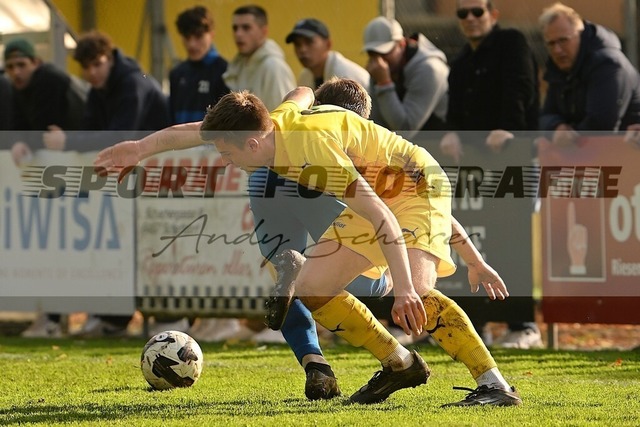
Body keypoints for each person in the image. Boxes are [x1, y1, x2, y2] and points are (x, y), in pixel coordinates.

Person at [95, 84, 522, 407]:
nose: (225, 161)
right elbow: (295, 93)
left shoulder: (314, 154)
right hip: (387, 195)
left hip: (416, 188)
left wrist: (408, 286)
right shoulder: (274, 124)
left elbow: (384, 216)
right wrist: (139, 148)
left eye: (227, 153)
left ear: (252, 143)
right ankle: (400, 364)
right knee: (313, 287)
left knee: (419, 293)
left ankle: (494, 384)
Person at [43, 30, 170, 337]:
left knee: (153, 247)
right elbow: (91, 131)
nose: (92, 72)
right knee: (115, 244)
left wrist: (67, 141)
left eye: (97, 64)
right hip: (127, 180)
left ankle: (168, 318)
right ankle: (114, 318)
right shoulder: (98, 90)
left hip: (159, 178)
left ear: (110, 58)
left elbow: (119, 137)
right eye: (86, 67)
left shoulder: (132, 83)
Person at [441, 0, 542, 349]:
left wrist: (508, 128)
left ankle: (522, 325)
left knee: (511, 239)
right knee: (476, 241)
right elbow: (455, 110)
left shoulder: (512, 43)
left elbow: (521, 89)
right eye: (463, 13)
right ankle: (477, 326)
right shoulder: (460, 61)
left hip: (511, 159)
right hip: (473, 168)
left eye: (477, 11)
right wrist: (451, 133)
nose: (470, 18)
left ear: (492, 14)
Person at [539, 2, 640, 146]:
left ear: (580, 34)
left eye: (563, 40)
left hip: (625, 152)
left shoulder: (607, 64)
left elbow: (600, 127)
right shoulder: (560, 68)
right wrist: (556, 127)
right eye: (551, 43)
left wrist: (568, 137)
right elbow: (545, 115)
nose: (557, 50)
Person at [3, 38, 85, 166]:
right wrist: (18, 141)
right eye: (10, 67)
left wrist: (21, 141)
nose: (16, 72)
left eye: (21, 65)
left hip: (81, 151)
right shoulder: (19, 86)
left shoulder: (49, 79)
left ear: (35, 63)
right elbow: (17, 124)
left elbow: (43, 131)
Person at [362, 16, 448, 138]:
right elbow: (376, 123)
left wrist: (384, 83)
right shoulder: (380, 68)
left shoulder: (430, 69)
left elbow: (405, 129)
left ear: (402, 44)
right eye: (372, 53)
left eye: (384, 52)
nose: (378, 60)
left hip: (441, 142)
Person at [223, 5, 296, 110]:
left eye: (246, 28)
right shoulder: (238, 66)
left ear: (264, 31)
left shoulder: (274, 67)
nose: (238, 34)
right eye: (235, 28)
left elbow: (285, 114)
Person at [169, 5, 230, 124]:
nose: (192, 44)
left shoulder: (226, 72)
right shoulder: (177, 74)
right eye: (187, 37)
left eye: (198, 36)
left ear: (211, 35)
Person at [285, 18, 369, 89]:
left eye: (309, 42)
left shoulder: (345, 77)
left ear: (328, 44)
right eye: (297, 44)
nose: (302, 49)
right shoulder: (305, 76)